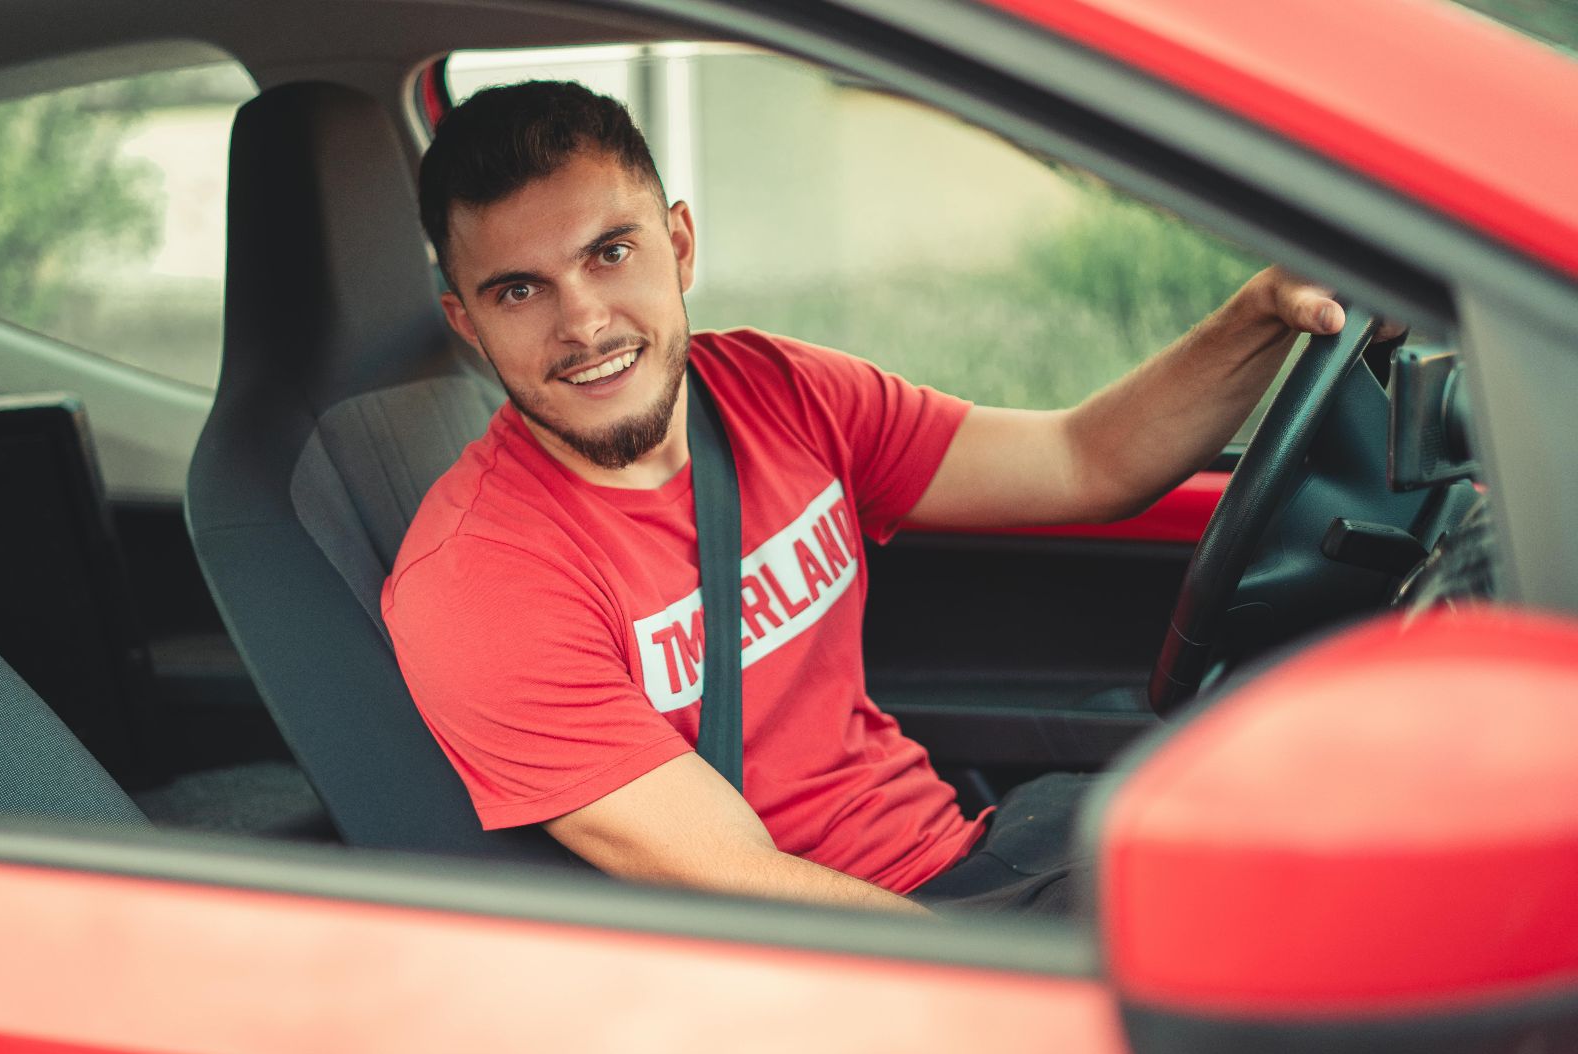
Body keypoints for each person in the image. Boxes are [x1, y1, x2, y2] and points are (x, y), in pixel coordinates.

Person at [382, 80, 1372, 916]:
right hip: (869, 948)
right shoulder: (475, 583)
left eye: (610, 251)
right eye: (521, 290)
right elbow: (742, 886)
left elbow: (1085, 460)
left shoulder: (777, 391)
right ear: (465, 322)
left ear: (679, 245)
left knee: (1351, 834)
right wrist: (1010, 990)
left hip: (978, 852)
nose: (585, 321)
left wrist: (1258, 318)